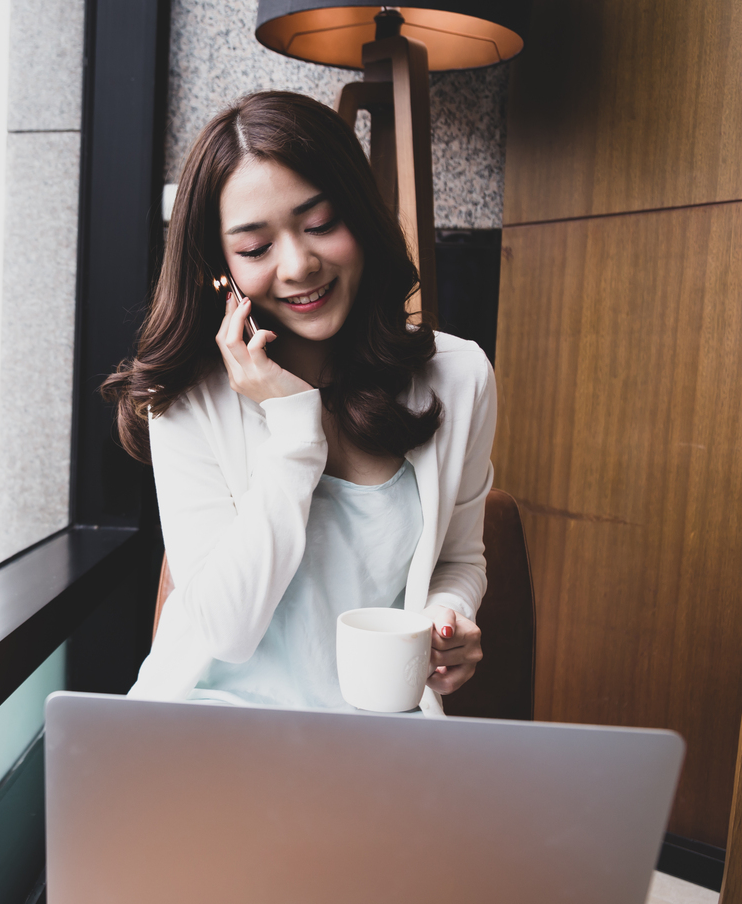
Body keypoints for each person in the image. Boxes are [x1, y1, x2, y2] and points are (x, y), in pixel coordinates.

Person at [104, 91, 494, 712]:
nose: (298, 264)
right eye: (255, 249)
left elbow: (458, 557)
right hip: (209, 736)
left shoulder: (458, 375)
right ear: (220, 270)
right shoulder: (184, 398)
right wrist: (294, 431)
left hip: (376, 744)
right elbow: (226, 633)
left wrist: (448, 619)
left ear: (362, 219)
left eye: (319, 225)